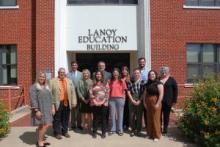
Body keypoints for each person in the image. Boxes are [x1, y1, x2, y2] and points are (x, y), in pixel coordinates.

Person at [49, 68, 77, 139]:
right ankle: (57, 132)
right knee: (57, 118)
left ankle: (65, 131)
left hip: (67, 102)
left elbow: (73, 92)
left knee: (66, 117)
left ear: (65, 73)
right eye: (61, 72)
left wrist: (74, 101)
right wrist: (52, 105)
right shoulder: (52, 81)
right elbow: (50, 94)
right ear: (58, 73)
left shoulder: (69, 81)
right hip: (57, 102)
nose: (62, 73)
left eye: (63, 72)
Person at [30, 71, 53, 147]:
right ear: (37, 77)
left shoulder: (47, 86)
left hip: (48, 108)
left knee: (47, 124)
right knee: (43, 125)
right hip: (40, 109)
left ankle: (42, 139)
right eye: (40, 76)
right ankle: (40, 142)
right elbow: (33, 100)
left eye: (43, 77)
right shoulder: (34, 87)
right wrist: (37, 110)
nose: (42, 78)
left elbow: (51, 97)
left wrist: (52, 107)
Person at [143, 70, 164, 141]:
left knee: (155, 118)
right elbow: (145, 94)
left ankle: (156, 136)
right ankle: (150, 134)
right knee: (149, 118)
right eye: (150, 74)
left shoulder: (159, 83)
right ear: (148, 76)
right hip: (148, 101)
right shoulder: (147, 84)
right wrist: (144, 102)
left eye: (153, 74)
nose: (151, 75)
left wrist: (158, 103)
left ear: (155, 75)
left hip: (156, 100)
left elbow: (161, 94)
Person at [89, 71, 110, 139]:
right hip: (95, 103)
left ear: (102, 75)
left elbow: (107, 93)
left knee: (104, 119)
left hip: (104, 104)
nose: (98, 75)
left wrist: (102, 102)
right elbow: (90, 93)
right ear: (95, 75)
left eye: (99, 74)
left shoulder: (105, 83)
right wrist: (95, 102)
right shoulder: (92, 83)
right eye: (97, 74)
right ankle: (94, 132)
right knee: (95, 118)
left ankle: (103, 133)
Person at [127, 68, 146, 137]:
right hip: (131, 100)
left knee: (139, 116)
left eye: (138, 73)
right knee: (131, 116)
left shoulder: (143, 82)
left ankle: (138, 130)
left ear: (140, 74)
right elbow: (128, 91)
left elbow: (144, 92)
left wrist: (139, 101)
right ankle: (132, 130)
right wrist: (132, 100)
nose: (136, 74)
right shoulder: (130, 81)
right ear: (133, 74)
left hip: (140, 101)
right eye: (135, 73)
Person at [109, 68, 127, 136]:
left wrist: (124, 100)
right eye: (114, 73)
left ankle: (120, 129)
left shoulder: (122, 81)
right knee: (112, 115)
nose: (115, 74)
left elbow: (124, 92)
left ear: (119, 74)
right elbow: (108, 91)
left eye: (116, 73)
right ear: (113, 74)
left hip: (120, 99)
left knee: (120, 115)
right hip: (112, 99)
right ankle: (113, 129)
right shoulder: (110, 81)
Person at [160, 66, 178, 134]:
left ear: (168, 72)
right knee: (159, 116)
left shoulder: (172, 79)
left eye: (165, 71)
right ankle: (159, 128)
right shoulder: (158, 79)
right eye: (162, 71)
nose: (163, 72)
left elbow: (175, 90)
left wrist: (174, 101)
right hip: (159, 101)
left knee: (166, 116)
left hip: (168, 101)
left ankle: (165, 129)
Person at [67, 61, 82, 130]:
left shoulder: (81, 74)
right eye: (73, 65)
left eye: (75, 65)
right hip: (71, 94)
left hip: (79, 94)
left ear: (77, 66)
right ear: (71, 66)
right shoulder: (68, 74)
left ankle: (79, 124)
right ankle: (73, 125)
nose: (74, 66)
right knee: (72, 109)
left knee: (79, 110)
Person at [121, 66, 130, 131]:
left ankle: (128, 124)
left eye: (125, 70)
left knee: (128, 110)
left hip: (129, 97)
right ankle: (123, 124)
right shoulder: (120, 78)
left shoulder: (130, 78)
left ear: (127, 71)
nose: (124, 71)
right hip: (121, 96)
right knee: (122, 111)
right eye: (123, 70)